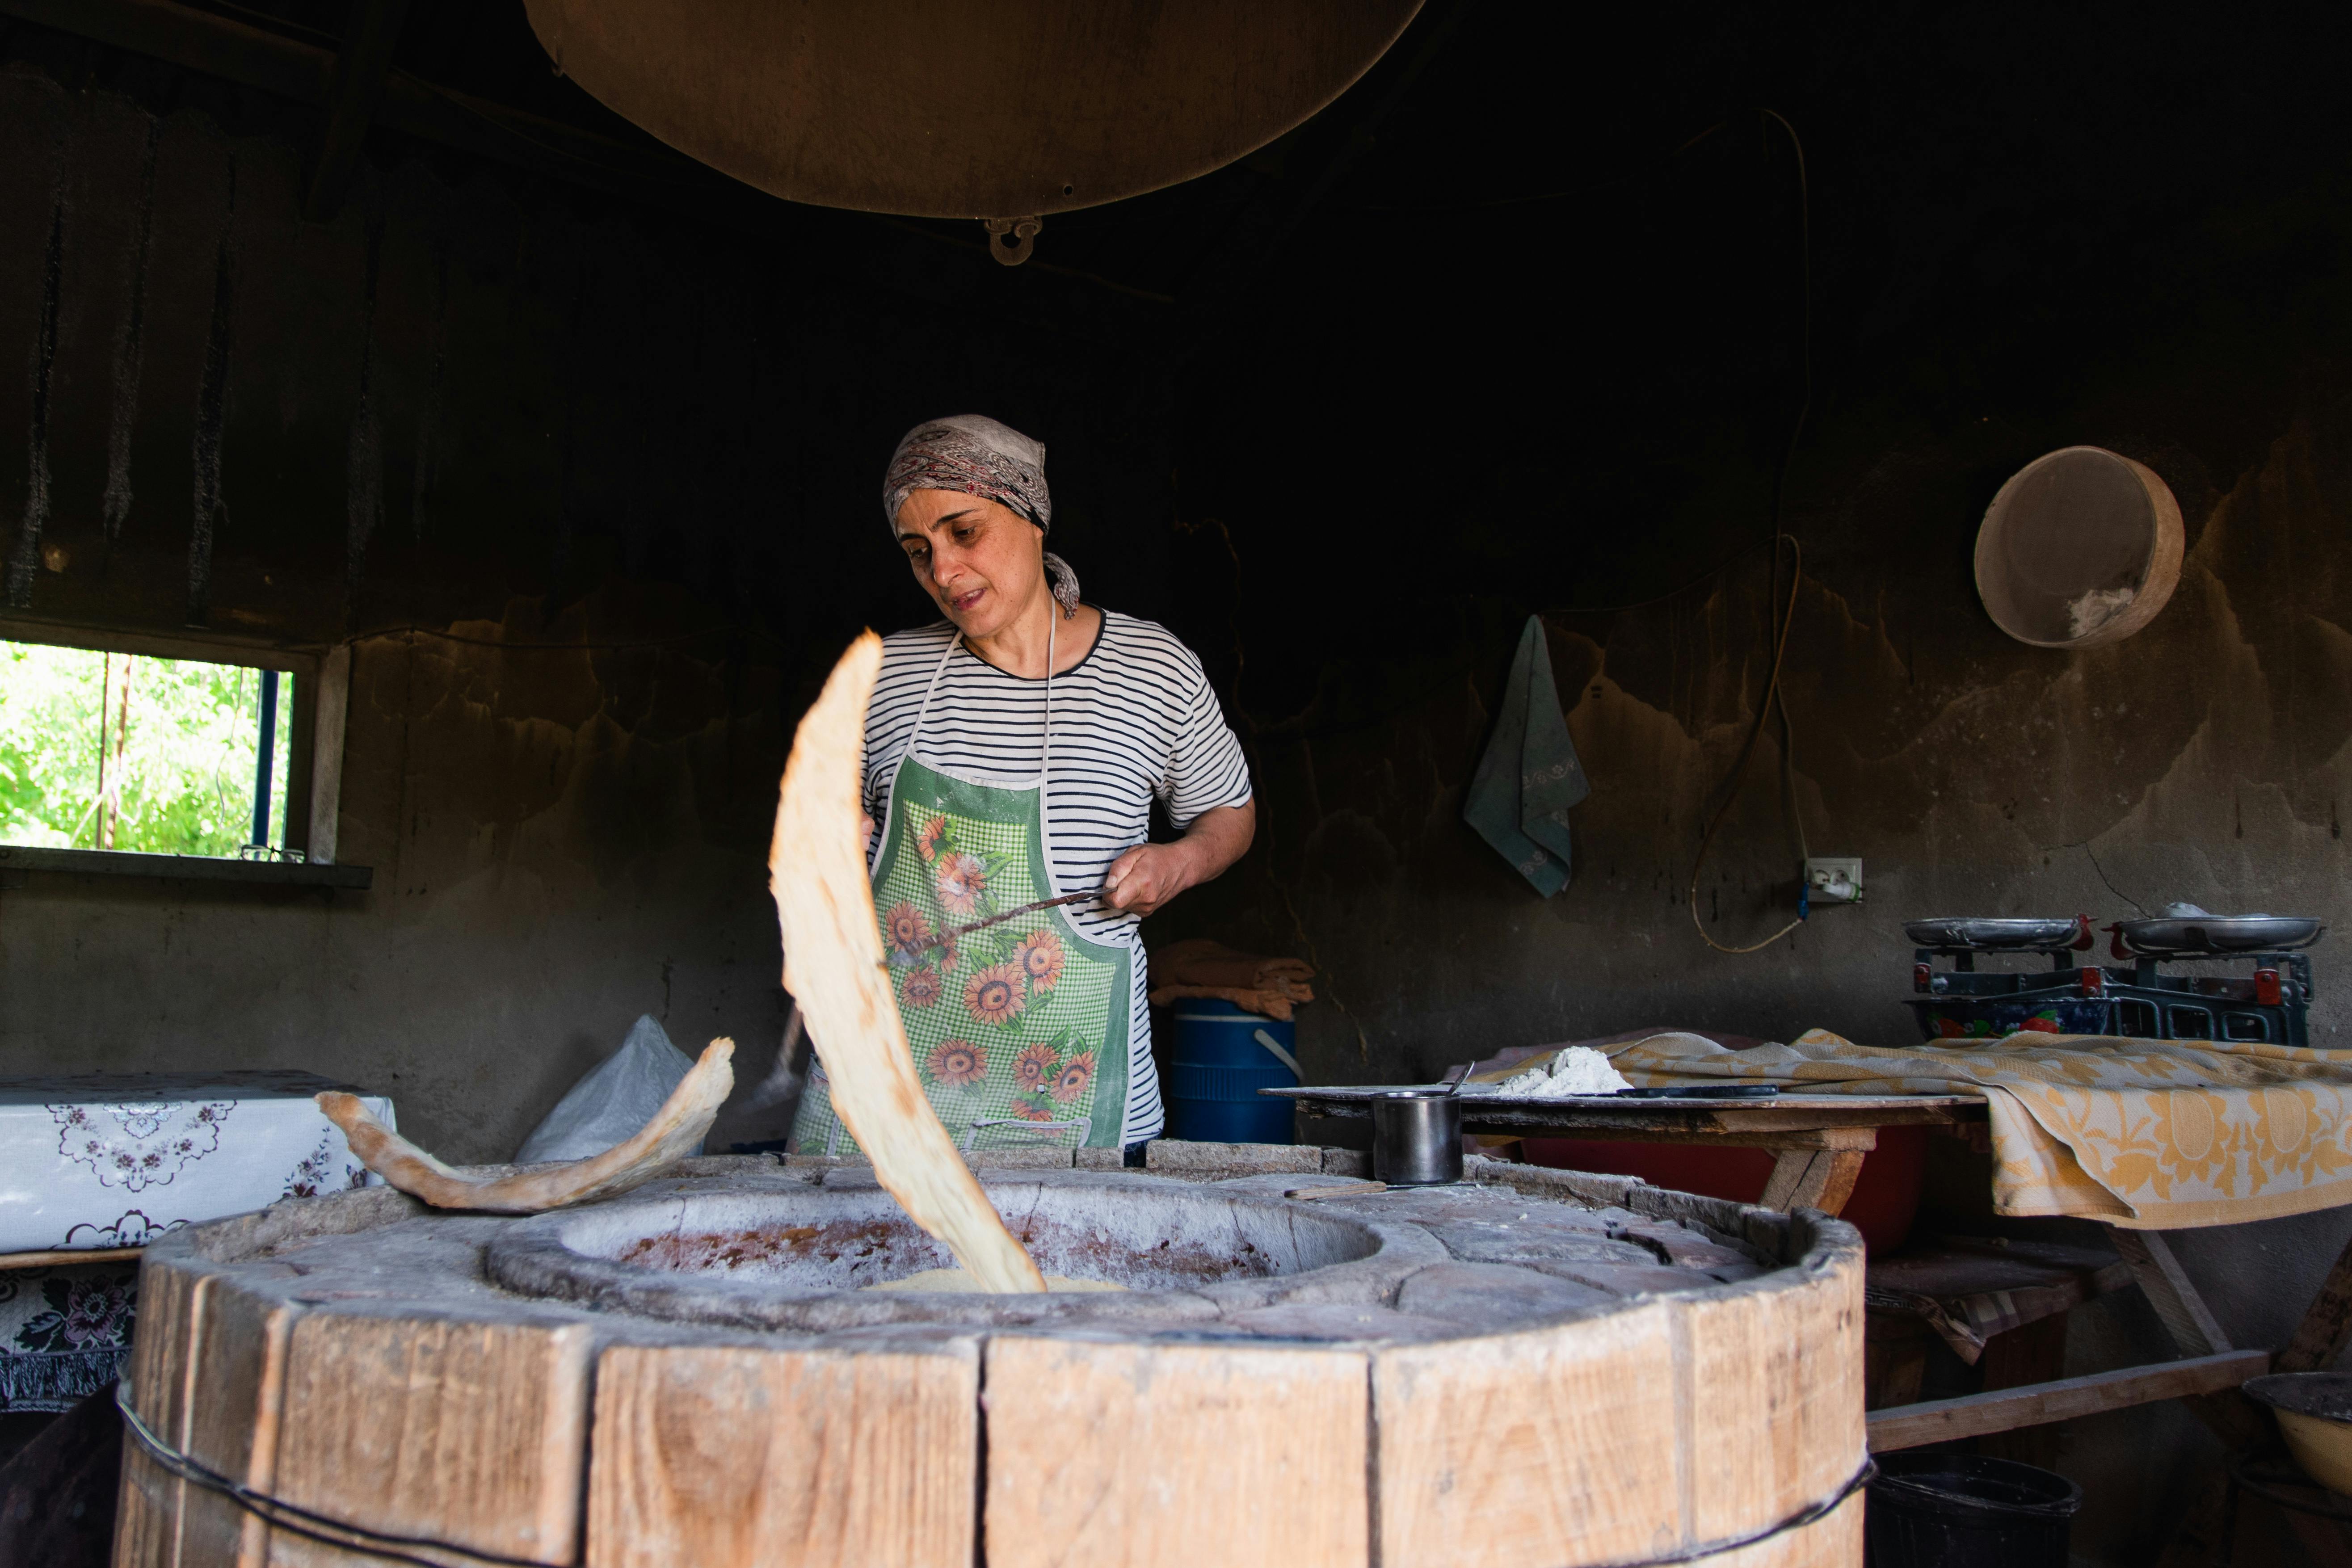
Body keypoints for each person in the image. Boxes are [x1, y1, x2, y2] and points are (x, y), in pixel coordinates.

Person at [789, 415, 1255, 1161]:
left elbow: (1230, 814)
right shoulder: (883, 678)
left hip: (1082, 1107)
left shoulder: (1152, 669)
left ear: (1033, 516)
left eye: (963, 532)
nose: (943, 571)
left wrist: (1180, 863)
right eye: (919, 552)